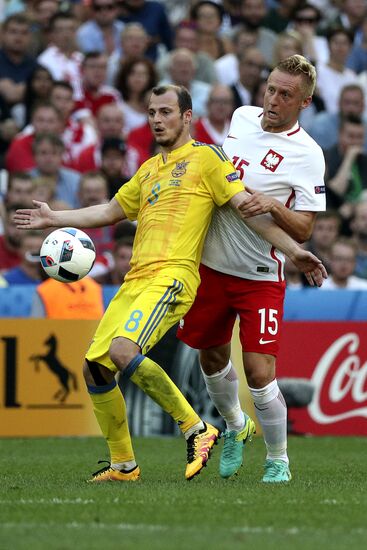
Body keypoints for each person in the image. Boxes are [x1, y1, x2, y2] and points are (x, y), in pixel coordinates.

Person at [15, 84, 325, 483]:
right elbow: (111, 210)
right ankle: (124, 464)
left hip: (173, 275)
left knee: (126, 351)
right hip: (135, 280)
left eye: (165, 112)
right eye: (151, 113)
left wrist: (293, 250)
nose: (157, 120)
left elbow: (246, 211)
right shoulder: (148, 170)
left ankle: (198, 429)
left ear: (186, 117)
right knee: (95, 368)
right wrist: (55, 218)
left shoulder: (208, 159)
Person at [177, 55, 327, 484]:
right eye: (271, 89)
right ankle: (235, 425)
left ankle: (278, 458)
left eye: (286, 95)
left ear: (304, 102)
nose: (273, 100)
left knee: (261, 374)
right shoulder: (242, 118)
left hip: (260, 274)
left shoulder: (308, 154)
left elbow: (305, 227)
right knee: (210, 357)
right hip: (210, 265)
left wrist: (275, 204)